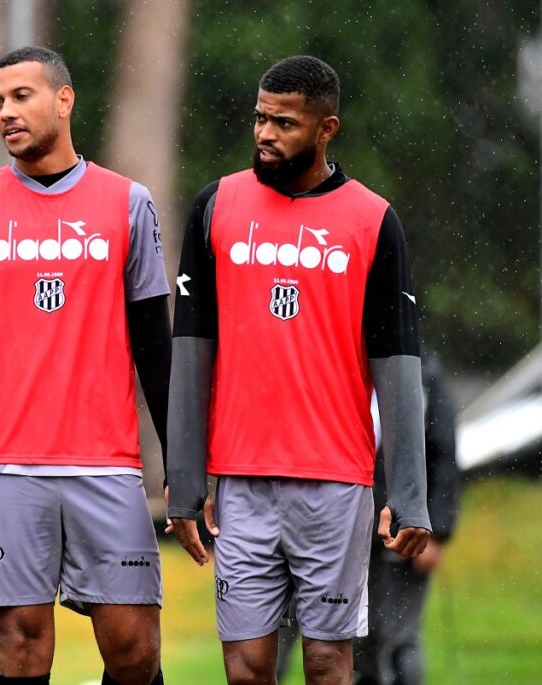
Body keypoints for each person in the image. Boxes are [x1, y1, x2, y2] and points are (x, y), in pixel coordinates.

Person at [0, 46, 171, 685]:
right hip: (1, 466)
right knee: (21, 647)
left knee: (135, 652)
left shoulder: (128, 203)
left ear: (64, 99)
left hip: (105, 464)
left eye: (21, 96)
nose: (6, 113)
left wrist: (185, 470)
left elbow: (156, 352)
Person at [166, 55, 433, 685]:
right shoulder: (215, 206)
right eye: (259, 118)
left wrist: (410, 495)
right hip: (240, 480)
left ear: (326, 128)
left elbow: (398, 364)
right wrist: (183, 480)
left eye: (283, 123)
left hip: (335, 483)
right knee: (248, 667)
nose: (264, 133)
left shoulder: (372, 220)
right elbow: (190, 349)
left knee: (326, 662)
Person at [276, 352, 461, 684]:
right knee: (355, 639)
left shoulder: (424, 375)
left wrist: (439, 532)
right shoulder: (336, 366)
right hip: (344, 531)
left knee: (397, 639)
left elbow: (443, 455)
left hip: (404, 535)